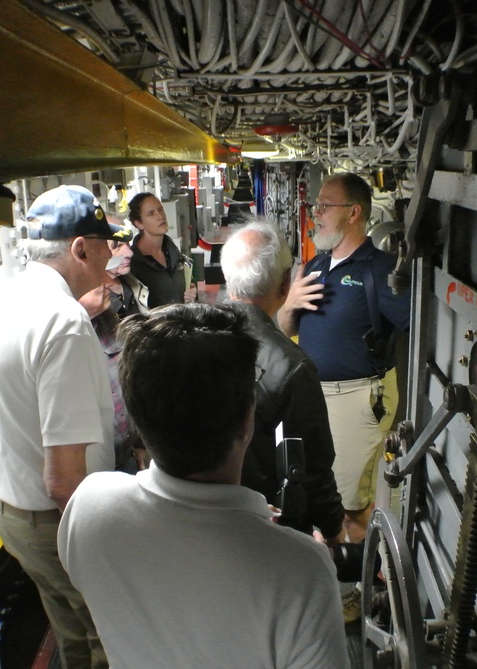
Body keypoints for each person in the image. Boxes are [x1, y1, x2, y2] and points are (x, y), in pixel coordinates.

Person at [58, 304, 350, 669]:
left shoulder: (88, 506)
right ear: (247, 422)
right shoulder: (301, 571)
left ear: (136, 416)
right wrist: (297, 550)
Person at [0, 184, 119, 669]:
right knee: (110, 635)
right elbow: (63, 480)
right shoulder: (63, 322)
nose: (111, 253)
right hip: (59, 519)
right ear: (80, 248)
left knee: (70, 629)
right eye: (105, 242)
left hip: (11, 514)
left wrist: (12, 460)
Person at [278, 172, 411, 544]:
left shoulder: (380, 270)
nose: (315, 213)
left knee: (351, 504)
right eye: (315, 205)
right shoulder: (317, 266)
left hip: (357, 399)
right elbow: (286, 328)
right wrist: (289, 306)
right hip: (312, 395)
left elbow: (419, 328)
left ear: (353, 213)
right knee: (320, 492)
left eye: (324, 206)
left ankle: (359, 590)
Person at [220, 220, 345, 544]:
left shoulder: (193, 337)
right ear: (284, 283)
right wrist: (333, 530)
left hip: (195, 518)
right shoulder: (291, 366)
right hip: (263, 529)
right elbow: (314, 469)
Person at [78, 221, 147, 474]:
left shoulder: (108, 318)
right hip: (90, 472)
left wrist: (139, 442)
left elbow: (128, 380)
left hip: (125, 457)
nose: (106, 280)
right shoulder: (60, 335)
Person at [127, 191, 197, 307]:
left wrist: (192, 293)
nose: (160, 216)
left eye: (160, 209)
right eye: (151, 213)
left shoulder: (174, 253)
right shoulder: (133, 264)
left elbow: (183, 289)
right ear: (139, 224)